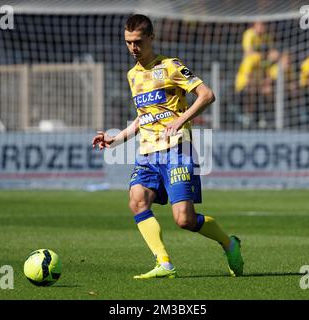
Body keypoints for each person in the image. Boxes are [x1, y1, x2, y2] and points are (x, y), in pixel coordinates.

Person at [92, 14, 244, 279]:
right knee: (137, 201)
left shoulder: (171, 66)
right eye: (128, 42)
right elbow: (144, 116)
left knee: (184, 219)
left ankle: (230, 244)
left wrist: (180, 121)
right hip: (148, 153)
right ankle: (164, 263)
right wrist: (115, 139)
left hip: (177, 150)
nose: (133, 48)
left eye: (138, 41)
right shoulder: (132, 75)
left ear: (151, 38)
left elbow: (207, 95)